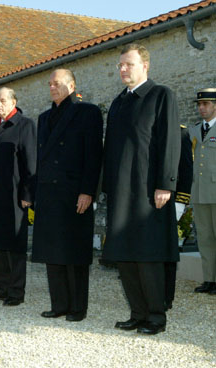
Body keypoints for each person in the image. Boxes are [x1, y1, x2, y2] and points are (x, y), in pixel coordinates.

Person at [102, 44, 180, 335]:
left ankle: (156, 317)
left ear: (145, 66)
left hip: (150, 193)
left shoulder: (161, 96)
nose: (123, 69)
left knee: (148, 256)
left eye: (129, 64)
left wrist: (165, 185)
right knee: (125, 256)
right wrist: (106, 187)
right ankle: (137, 312)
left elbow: (171, 143)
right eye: (121, 65)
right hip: (121, 192)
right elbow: (110, 149)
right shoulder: (119, 102)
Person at [31, 69, 103, 322]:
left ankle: (77, 308)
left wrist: (88, 191)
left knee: (74, 252)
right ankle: (59, 303)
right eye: (50, 84)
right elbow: (40, 159)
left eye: (58, 84)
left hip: (74, 193)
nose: (52, 87)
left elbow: (94, 156)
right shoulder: (44, 117)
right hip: (49, 193)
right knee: (53, 252)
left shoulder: (87, 112)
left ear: (71, 85)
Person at [0, 87, 37, 307]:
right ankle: (0, 287)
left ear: (14, 101)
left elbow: (30, 162)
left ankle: (15, 291)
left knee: (13, 245)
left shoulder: (24, 125)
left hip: (15, 196)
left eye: (3, 100)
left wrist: (28, 194)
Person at [189, 88, 216, 295]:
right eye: (199, 105)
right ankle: (209, 279)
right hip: (199, 192)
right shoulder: (195, 130)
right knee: (205, 238)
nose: (201, 108)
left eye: (205, 104)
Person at [164, 124, 193, 310]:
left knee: (167, 249)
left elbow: (186, 169)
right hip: (146, 202)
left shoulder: (180, 132)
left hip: (171, 200)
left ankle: (166, 296)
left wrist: (180, 202)